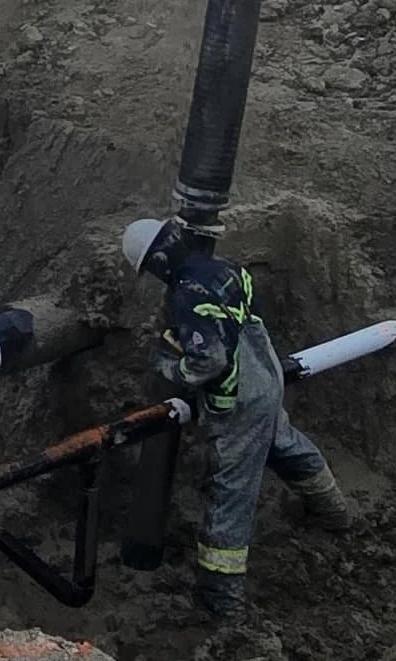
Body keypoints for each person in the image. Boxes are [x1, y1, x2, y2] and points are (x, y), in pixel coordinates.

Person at [121, 220, 350, 625]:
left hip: (239, 402)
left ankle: (220, 598)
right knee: (284, 444)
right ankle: (335, 513)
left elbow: (210, 360)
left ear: (157, 261)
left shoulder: (187, 295)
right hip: (265, 378)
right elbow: (245, 324)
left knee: (230, 493)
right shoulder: (228, 268)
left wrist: (170, 368)